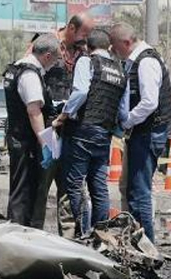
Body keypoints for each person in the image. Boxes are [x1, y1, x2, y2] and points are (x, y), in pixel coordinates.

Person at [53, 29, 127, 237]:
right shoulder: (120, 69)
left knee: (75, 183)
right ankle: (100, 234)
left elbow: (81, 91)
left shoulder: (87, 61)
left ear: (87, 46)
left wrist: (64, 115)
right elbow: (123, 110)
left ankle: (82, 233)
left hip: (82, 130)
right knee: (98, 185)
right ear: (109, 47)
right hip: (104, 133)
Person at [110, 22, 171, 244]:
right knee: (132, 190)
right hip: (143, 133)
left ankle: (146, 246)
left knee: (140, 193)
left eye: (115, 45)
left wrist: (127, 121)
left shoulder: (146, 62)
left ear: (126, 42)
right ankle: (137, 242)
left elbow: (149, 102)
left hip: (147, 133)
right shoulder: (137, 61)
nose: (113, 50)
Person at [33, 13, 95, 237]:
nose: (86, 38)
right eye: (84, 33)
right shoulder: (46, 43)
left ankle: (68, 239)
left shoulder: (84, 53)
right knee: (40, 186)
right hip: (49, 126)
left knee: (69, 188)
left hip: (72, 127)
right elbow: (30, 72)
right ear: (71, 28)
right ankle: (32, 236)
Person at [2, 34, 60, 228]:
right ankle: (20, 232)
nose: (55, 65)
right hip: (26, 141)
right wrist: (45, 143)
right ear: (47, 56)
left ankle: (19, 230)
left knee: (20, 188)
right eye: (56, 59)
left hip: (18, 137)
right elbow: (34, 111)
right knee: (25, 191)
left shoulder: (16, 68)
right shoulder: (30, 74)